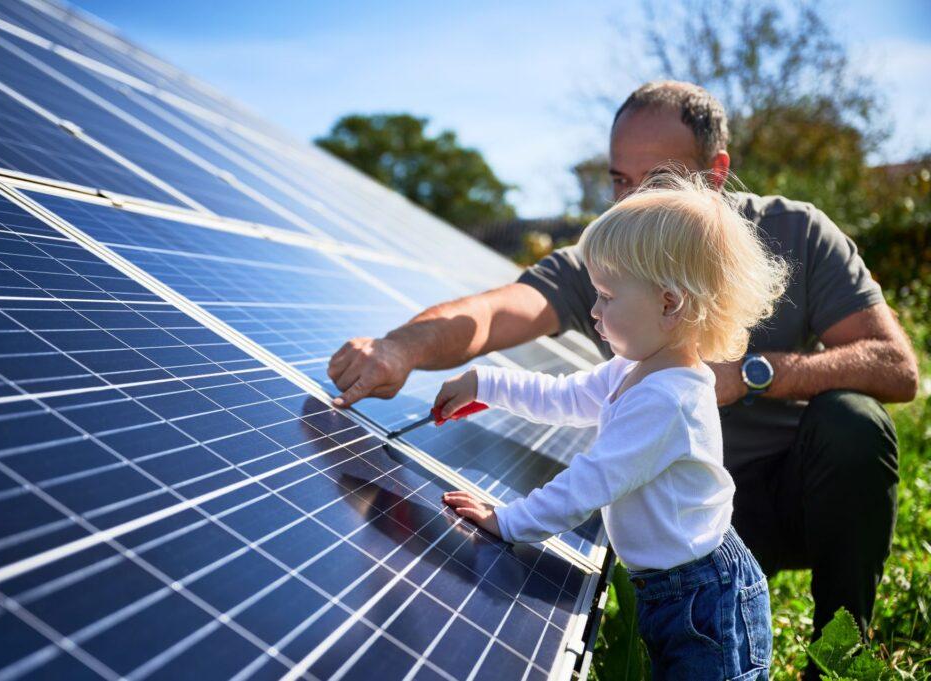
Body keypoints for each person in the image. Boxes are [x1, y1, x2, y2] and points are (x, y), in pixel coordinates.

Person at [326, 81, 919, 646]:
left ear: (714, 175)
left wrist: (749, 374)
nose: (632, 200)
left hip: (785, 499)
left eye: (657, 179)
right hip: (668, 520)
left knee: (854, 422)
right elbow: (497, 315)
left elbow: (896, 366)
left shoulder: (797, 232)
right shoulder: (613, 257)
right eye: (619, 180)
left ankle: (842, 650)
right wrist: (400, 348)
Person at [437, 174, 786, 678]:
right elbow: (563, 396)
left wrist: (508, 522)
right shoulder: (632, 368)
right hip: (674, 589)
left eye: (606, 295)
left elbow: (591, 481)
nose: (595, 312)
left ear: (670, 303)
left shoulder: (669, 399)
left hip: (706, 600)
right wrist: (485, 383)